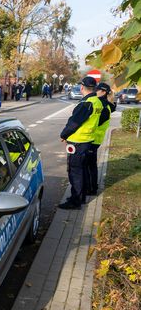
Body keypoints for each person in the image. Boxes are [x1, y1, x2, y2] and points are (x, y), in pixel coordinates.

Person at [58, 76, 103, 210]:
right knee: (82, 170)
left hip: (78, 142)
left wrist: (64, 134)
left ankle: (75, 201)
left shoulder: (86, 103)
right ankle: (81, 197)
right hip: (87, 140)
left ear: (82, 87)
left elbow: (74, 122)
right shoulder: (97, 102)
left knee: (75, 172)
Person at [86, 82, 116, 195]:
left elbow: (95, 123)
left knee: (90, 166)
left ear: (103, 92)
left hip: (93, 139)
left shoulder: (104, 107)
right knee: (91, 165)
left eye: (97, 90)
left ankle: (91, 189)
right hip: (94, 139)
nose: (94, 92)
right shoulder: (104, 105)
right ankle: (92, 187)